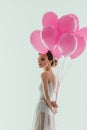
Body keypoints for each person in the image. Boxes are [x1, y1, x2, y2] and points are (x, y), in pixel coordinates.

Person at [31, 50, 59, 130]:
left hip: (43, 107)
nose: (39, 61)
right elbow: (50, 95)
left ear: (50, 61)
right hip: (48, 110)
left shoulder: (44, 74)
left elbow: (47, 96)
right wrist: (52, 105)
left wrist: (52, 109)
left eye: (42, 59)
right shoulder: (54, 75)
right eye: (38, 59)